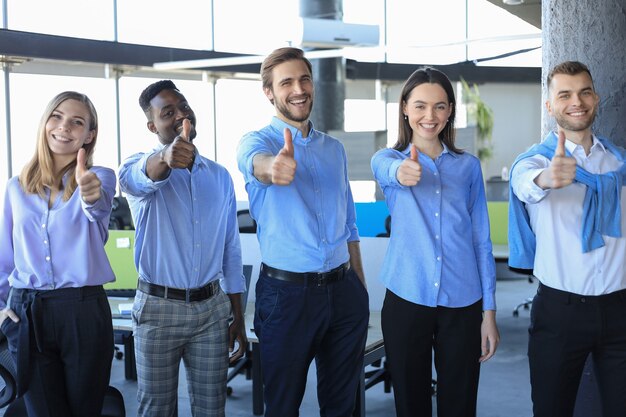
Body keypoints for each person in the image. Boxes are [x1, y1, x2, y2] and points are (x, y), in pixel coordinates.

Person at [236, 47, 369, 417]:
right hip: (287, 297)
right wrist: (272, 168)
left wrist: (358, 285)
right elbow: (256, 164)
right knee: (282, 406)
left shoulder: (334, 149)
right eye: (287, 82)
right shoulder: (258, 142)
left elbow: (349, 225)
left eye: (304, 79)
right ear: (269, 92)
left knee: (343, 406)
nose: (298, 89)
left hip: (343, 293)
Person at [371, 67, 499, 417]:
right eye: (421, 106)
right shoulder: (389, 160)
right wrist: (402, 173)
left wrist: (489, 313)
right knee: (411, 404)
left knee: (459, 404)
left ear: (450, 111)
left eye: (440, 106)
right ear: (405, 109)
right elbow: (383, 169)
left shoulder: (468, 167)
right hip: (407, 296)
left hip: (463, 301)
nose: (430, 115)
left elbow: (481, 241)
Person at [118, 80, 247, 417]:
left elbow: (231, 249)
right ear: (152, 126)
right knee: (157, 408)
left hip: (212, 310)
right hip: (159, 310)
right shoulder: (141, 165)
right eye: (168, 112)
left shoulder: (219, 177)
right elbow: (136, 177)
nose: (181, 115)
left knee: (212, 407)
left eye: (184, 106)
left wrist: (237, 313)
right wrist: (166, 155)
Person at [509, 61, 626, 417]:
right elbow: (526, 186)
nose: (577, 101)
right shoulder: (533, 163)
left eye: (584, 91)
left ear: (596, 97)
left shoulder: (618, 164)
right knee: (551, 409)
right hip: (560, 313)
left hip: (620, 311)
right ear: (550, 105)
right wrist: (549, 177)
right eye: (565, 94)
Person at [0, 91, 116, 416]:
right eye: (57, 116)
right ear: (45, 122)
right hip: (26, 311)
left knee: (84, 411)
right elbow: (4, 257)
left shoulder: (100, 178)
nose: (64, 127)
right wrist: (1, 310)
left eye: (77, 122)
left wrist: (88, 192)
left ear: (89, 135)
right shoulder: (15, 187)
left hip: (81, 310)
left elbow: (97, 207)